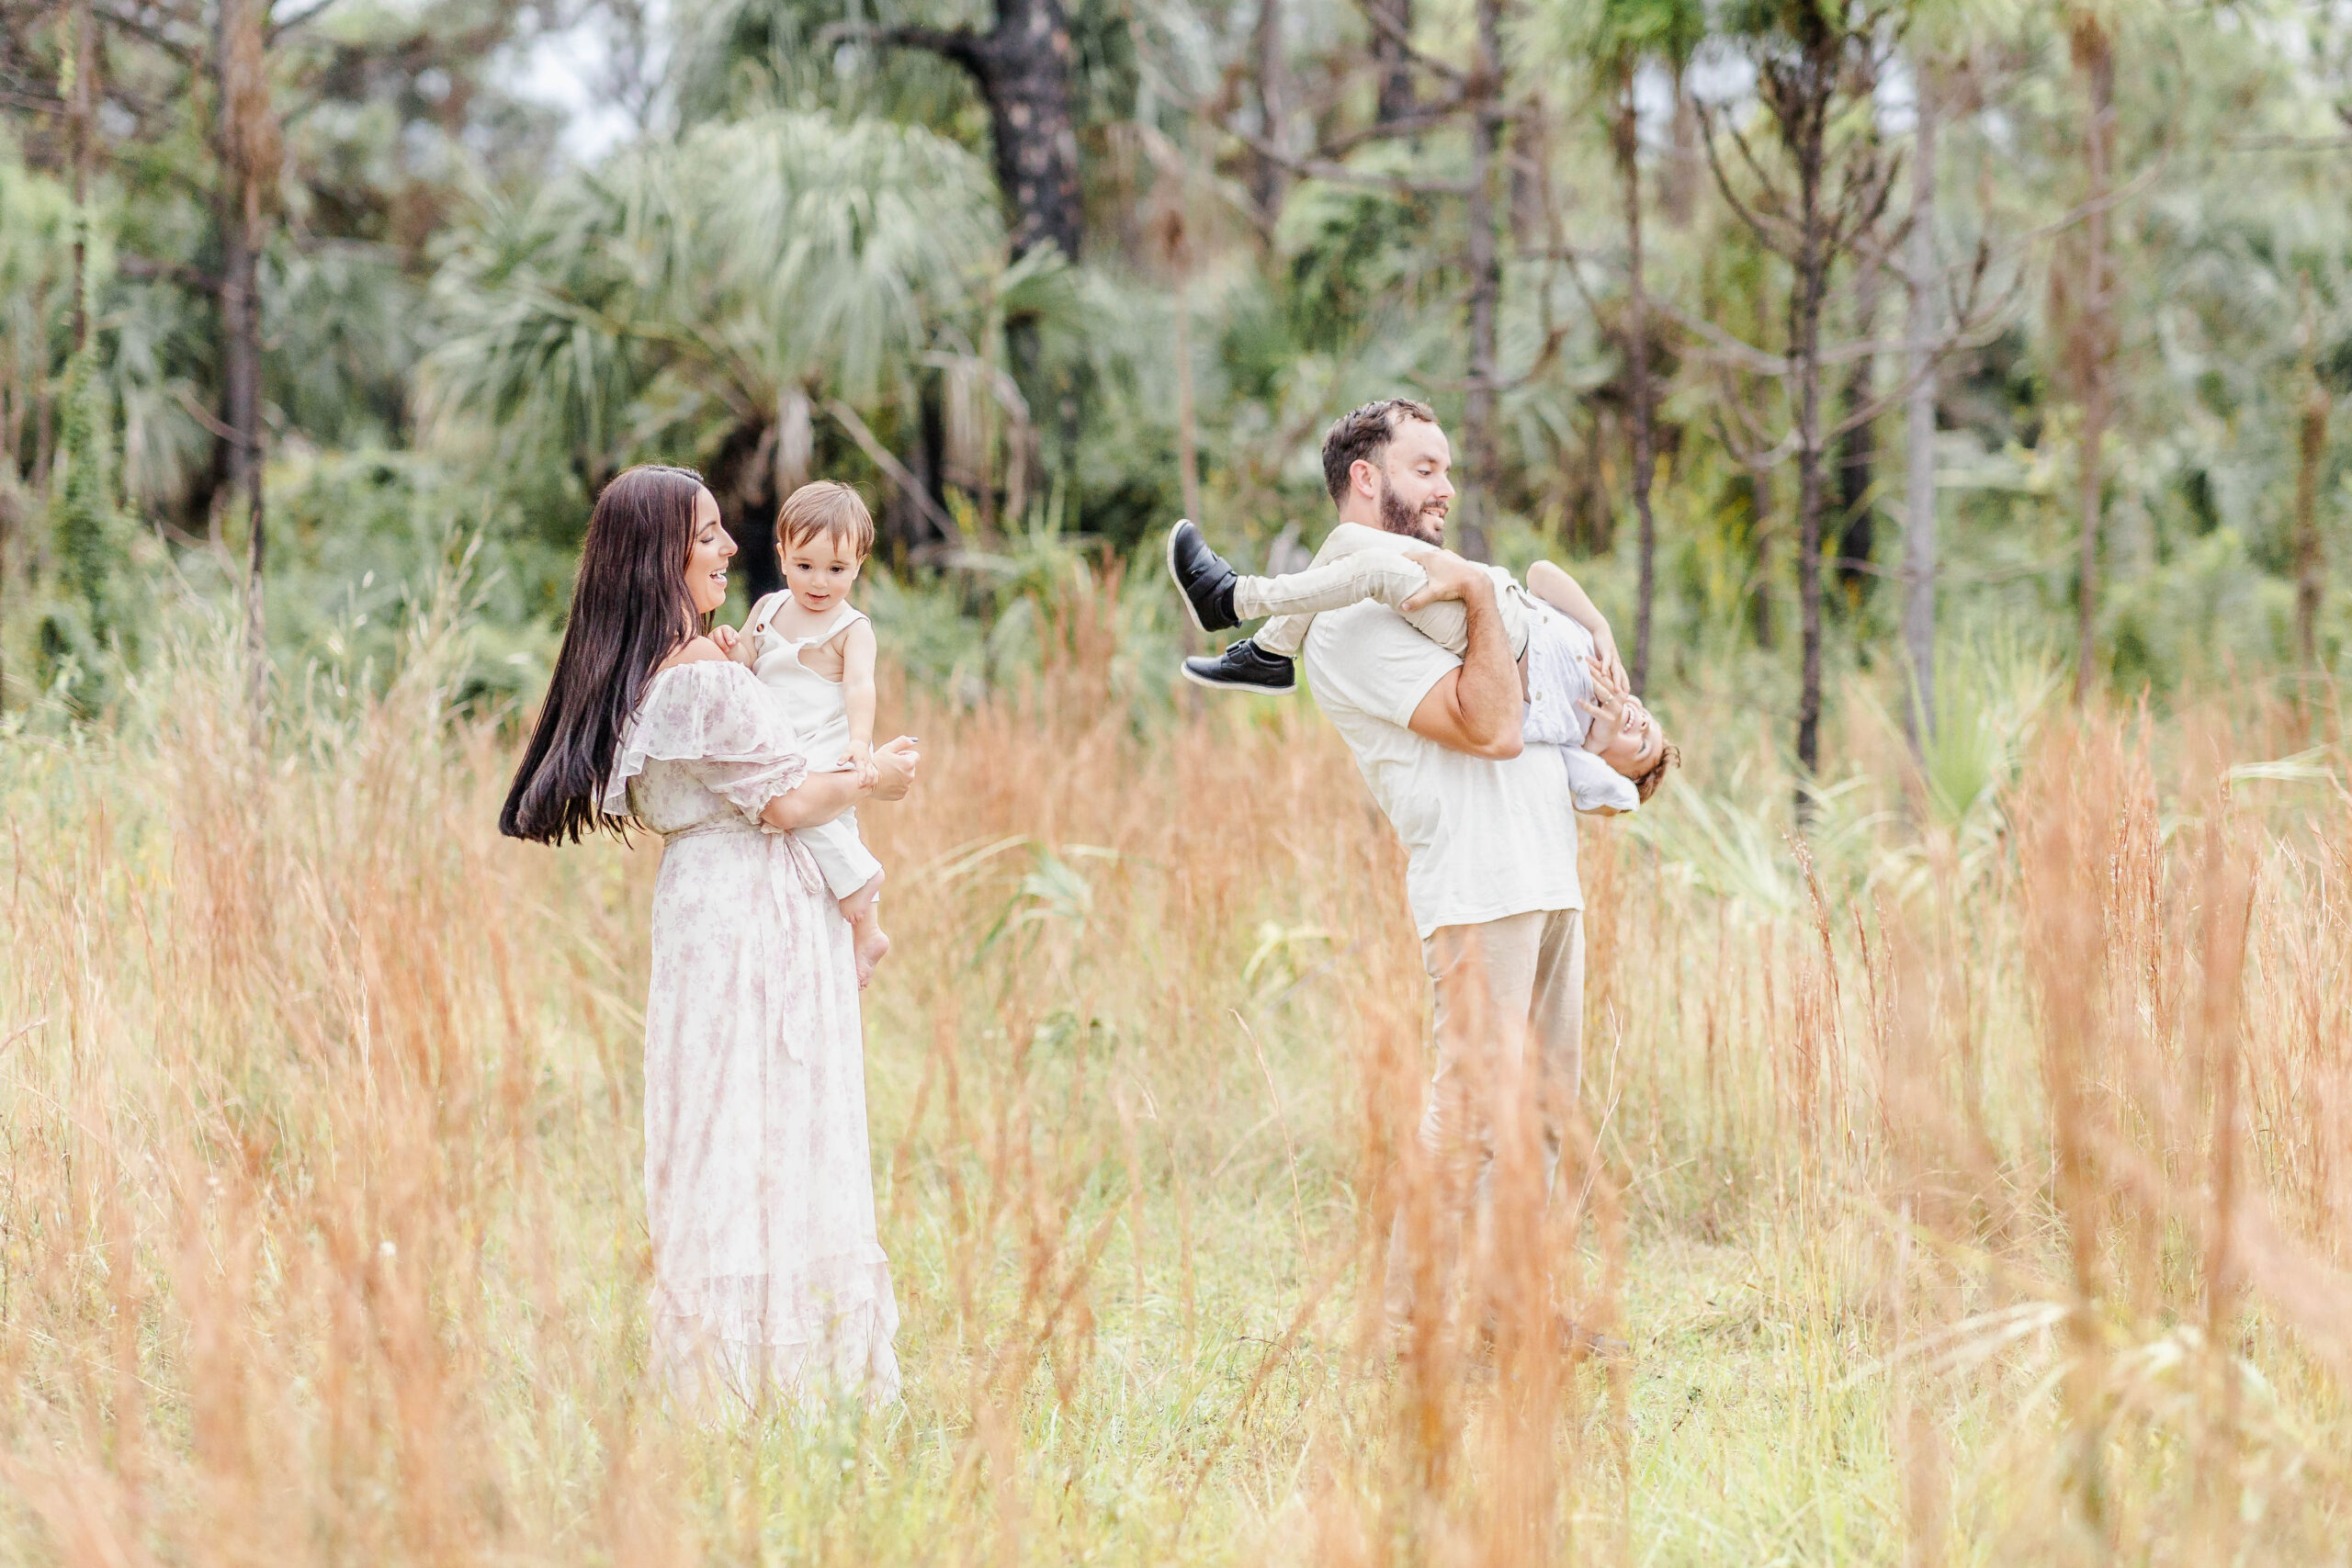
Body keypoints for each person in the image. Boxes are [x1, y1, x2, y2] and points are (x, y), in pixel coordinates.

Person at [1173, 398, 1618, 1346]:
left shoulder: (1436, 586)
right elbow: (1494, 726)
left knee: (1539, 1113)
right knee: (1466, 1113)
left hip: (1543, 872)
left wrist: (1629, 735)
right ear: (1366, 478)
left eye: (1448, 468)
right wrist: (1481, 596)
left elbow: (1574, 723)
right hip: (1475, 885)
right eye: (1425, 468)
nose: (1446, 487)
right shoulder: (1350, 625)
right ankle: (1407, 1330)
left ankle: (1515, 1314)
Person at [499, 464, 919, 1412]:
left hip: (701, 905)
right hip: (754, 906)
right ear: (662, 557)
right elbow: (784, 799)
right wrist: (873, 781)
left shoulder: (657, 674)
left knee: (721, 1120)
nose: (731, 549)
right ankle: (771, 1380)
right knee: (767, 1119)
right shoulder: (706, 685)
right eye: (711, 535)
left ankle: (732, 1368)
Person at [1166, 520, 1678, 811]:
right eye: (1650, 724)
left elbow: (1610, 799)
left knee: (1377, 573)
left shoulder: (1577, 745)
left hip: (1491, 633)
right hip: (1497, 587)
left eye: (1639, 745)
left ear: (1611, 762)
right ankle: (1270, 657)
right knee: (1347, 538)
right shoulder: (1601, 657)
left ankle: (1231, 599)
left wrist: (1599, 736)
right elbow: (1541, 573)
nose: (1639, 726)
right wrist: (1601, 627)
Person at [713, 481, 892, 986]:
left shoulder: (851, 628)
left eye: (837, 570)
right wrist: (732, 645)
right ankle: (862, 913)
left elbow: (860, 688)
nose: (819, 582)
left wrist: (860, 743)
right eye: (805, 565)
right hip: (778, 737)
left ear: (858, 565)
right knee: (802, 819)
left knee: (828, 817)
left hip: (825, 737)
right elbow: (748, 657)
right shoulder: (769, 608)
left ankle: (867, 922)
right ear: (783, 556)